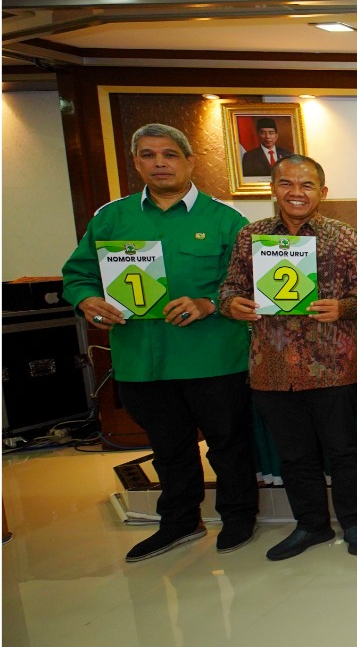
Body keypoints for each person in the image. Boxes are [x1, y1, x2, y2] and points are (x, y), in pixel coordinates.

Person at [63, 123, 258, 561]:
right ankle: (179, 522)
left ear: (190, 161)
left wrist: (209, 303)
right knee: (168, 447)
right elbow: (78, 275)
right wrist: (88, 299)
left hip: (212, 356)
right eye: (148, 155)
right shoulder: (111, 218)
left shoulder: (225, 219)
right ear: (136, 163)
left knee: (228, 443)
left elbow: (249, 282)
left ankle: (238, 516)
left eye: (169, 154)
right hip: (142, 358)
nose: (159, 163)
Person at [220, 155, 357, 560]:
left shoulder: (345, 236)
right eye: (286, 183)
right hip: (271, 366)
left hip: (332, 364)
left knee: (344, 449)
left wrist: (344, 307)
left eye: (306, 185)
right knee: (293, 454)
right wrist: (233, 304)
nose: (296, 192)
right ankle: (311, 525)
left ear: (323, 192)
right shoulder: (250, 236)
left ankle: (355, 523)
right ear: (273, 189)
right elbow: (229, 288)